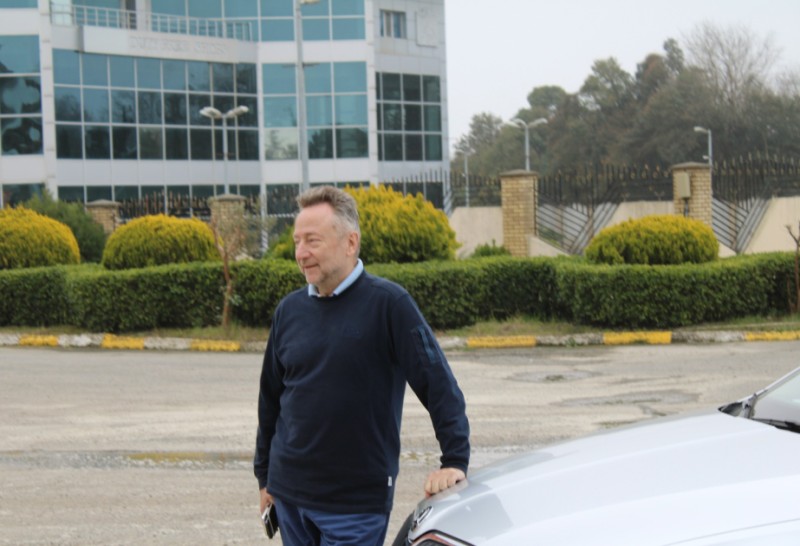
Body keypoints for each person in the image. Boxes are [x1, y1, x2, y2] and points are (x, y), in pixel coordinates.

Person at [254, 186, 470, 545]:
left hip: (354, 505)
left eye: (312, 241)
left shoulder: (390, 305)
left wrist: (455, 460)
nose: (300, 253)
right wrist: (265, 477)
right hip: (289, 495)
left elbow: (438, 384)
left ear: (350, 243)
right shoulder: (288, 311)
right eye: (297, 242)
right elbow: (270, 399)